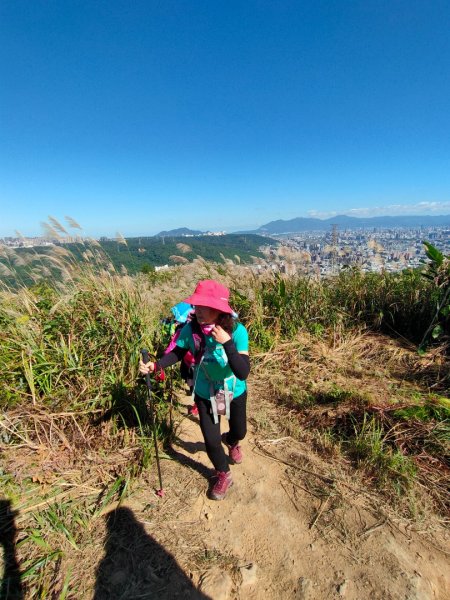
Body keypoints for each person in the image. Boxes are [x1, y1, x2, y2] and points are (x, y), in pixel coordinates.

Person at [139, 280, 250, 500]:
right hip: (205, 389)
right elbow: (178, 353)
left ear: (219, 310)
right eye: (196, 305)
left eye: (204, 306)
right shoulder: (191, 329)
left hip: (231, 389)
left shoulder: (237, 331)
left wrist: (227, 343)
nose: (197, 311)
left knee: (240, 431)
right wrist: (156, 366)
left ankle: (232, 441)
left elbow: (243, 372)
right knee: (211, 439)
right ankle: (222, 474)